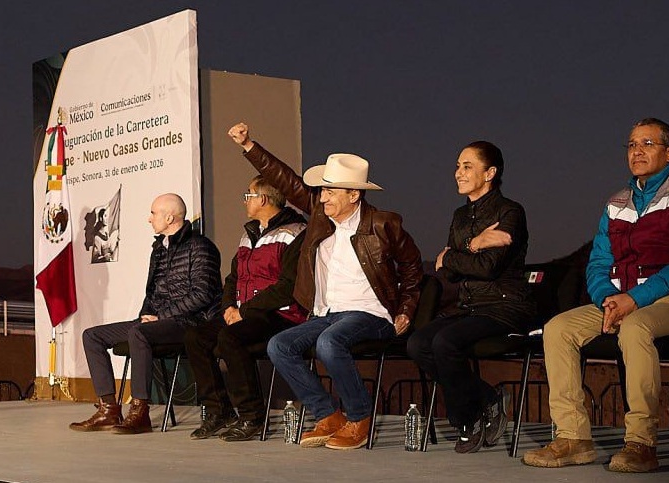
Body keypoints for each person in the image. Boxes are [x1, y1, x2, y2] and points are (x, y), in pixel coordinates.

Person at [228, 122, 423, 450]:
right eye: (322, 191)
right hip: (327, 313)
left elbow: (413, 267)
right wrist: (249, 145)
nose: (323, 197)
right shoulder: (321, 216)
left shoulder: (382, 224)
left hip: (369, 312)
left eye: (331, 192)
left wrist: (405, 309)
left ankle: (359, 417)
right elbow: (285, 180)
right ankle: (328, 415)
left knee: (329, 343)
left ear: (354, 195)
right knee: (279, 346)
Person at [523, 118, 669, 472]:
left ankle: (641, 443)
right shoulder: (616, 202)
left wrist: (635, 299)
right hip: (620, 301)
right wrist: (608, 298)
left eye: (647, 144)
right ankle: (573, 438)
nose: (637, 151)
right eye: (632, 144)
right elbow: (599, 262)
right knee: (559, 329)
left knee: (635, 327)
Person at [406, 141, 534, 453]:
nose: (458, 173)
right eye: (457, 166)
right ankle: (487, 399)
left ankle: (465, 421)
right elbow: (448, 274)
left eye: (467, 166)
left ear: (489, 173)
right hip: (470, 307)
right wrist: (471, 247)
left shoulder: (510, 212)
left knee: (445, 342)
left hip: (504, 305)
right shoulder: (460, 215)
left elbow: (488, 268)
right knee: (418, 344)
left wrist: (457, 253)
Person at [69, 193, 222, 434]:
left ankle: (140, 412)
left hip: (190, 322)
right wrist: (147, 314)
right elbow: (151, 293)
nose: (149, 219)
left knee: (139, 333)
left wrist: (161, 317)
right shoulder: (159, 249)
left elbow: (203, 295)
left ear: (169, 217)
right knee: (92, 336)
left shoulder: (201, 247)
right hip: (157, 321)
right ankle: (109, 410)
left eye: (153, 213)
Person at [184, 175, 307, 442]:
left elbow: (288, 287)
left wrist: (245, 311)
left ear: (263, 199)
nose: (245, 201)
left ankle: (252, 417)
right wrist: (229, 307)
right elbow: (232, 279)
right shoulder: (248, 234)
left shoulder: (295, 233)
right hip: (245, 312)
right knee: (196, 336)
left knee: (231, 337)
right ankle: (219, 411)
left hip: (280, 314)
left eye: (248, 195)